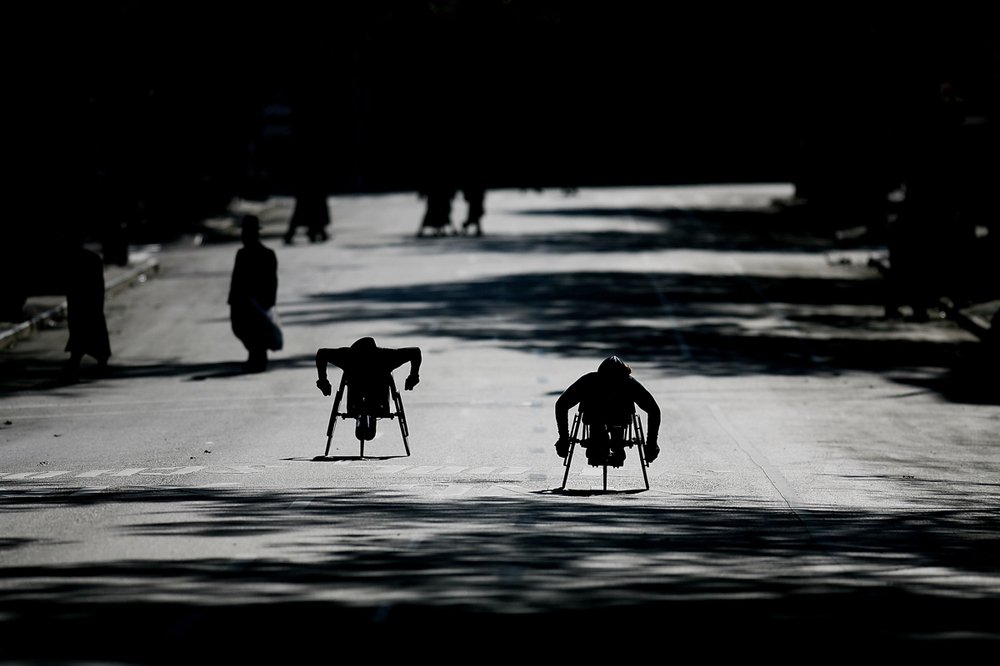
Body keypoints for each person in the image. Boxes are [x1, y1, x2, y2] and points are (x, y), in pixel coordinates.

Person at [554, 355, 660, 467]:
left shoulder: (591, 380)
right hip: (598, 419)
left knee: (611, 423)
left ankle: (614, 445)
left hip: (616, 420)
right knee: (600, 423)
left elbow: (561, 404)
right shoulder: (627, 383)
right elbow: (654, 410)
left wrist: (652, 443)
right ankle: (605, 444)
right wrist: (564, 438)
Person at [316, 337, 421, 441]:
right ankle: (370, 411)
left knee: (355, 384)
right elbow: (415, 352)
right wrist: (413, 376)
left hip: (354, 405)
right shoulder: (385, 355)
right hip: (380, 404)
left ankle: (361, 413)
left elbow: (322, 354)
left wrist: (322, 380)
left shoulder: (347, 355)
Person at [228, 214, 280, 373]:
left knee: (253, 332)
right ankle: (255, 358)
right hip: (245, 302)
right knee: (245, 332)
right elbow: (236, 280)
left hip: (256, 303)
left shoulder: (266, 254)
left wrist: (268, 301)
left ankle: (257, 359)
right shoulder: (243, 254)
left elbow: (272, 280)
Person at [62, 241, 111, 378]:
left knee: (82, 326)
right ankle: (84, 359)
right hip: (84, 299)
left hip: (84, 298)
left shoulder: (84, 259)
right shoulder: (89, 258)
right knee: (85, 326)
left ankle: (78, 359)